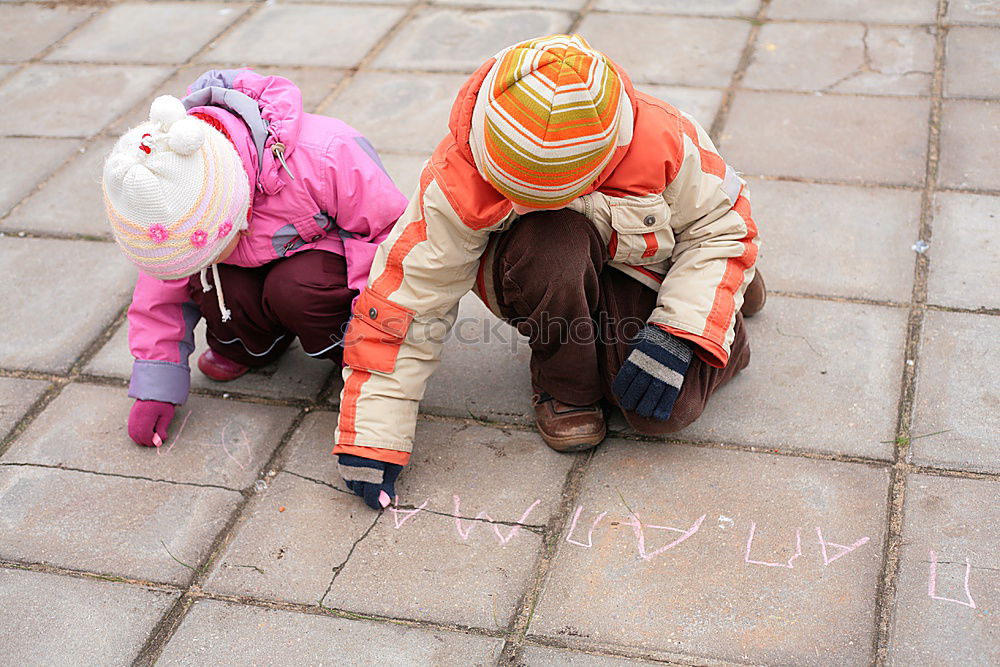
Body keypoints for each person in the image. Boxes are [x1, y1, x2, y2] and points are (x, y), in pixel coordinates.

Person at [332, 34, 764, 510]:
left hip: (646, 260)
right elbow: (407, 296)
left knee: (661, 412)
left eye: (537, 196)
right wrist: (371, 435)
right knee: (552, 241)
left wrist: (679, 337)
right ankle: (567, 388)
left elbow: (722, 230)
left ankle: (724, 299)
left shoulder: (664, 141)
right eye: (509, 192)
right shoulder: (459, 174)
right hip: (546, 266)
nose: (517, 203)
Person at [102, 69, 407, 447]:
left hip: (319, 270)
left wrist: (375, 347)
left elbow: (390, 240)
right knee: (214, 280)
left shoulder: (326, 154)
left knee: (295, 288)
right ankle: (248, 345)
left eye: (207, 247)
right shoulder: (173, 187)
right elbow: (161, 290)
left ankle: (339, 348)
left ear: (235, 211)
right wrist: (157, 382)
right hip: (248, 277)